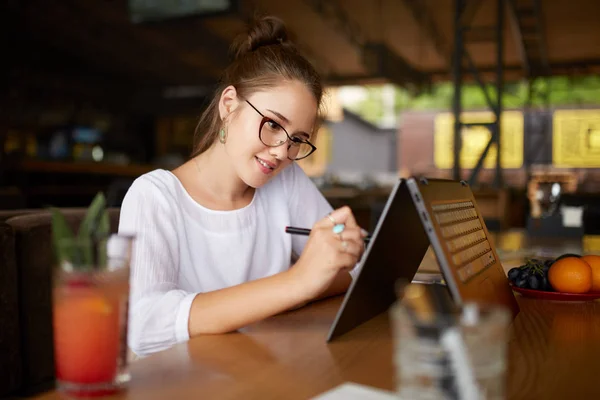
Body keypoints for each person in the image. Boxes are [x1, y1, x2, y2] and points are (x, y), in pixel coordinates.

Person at [118, 15, 367, 357]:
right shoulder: (155, 196)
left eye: (297, 139)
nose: (282, 151)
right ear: (229, 105)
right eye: (272, 124)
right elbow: (146, 325)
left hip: (264, 369)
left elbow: (353, 266)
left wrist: (320, 271)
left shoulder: (285, 182)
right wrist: (297, 282)